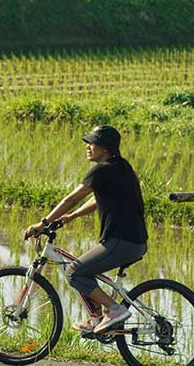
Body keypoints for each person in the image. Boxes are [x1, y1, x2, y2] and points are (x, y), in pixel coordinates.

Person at [25, 124, 147, 337]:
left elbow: (71, 198)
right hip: (134, 241)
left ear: (106, 149)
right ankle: (97, 318)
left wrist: (42, 224)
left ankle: (114, 309)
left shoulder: (102, 170)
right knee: (83, 270)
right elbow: (97, 198)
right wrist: (72, 217)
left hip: (121, 242)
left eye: (94, 143)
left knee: (74, 271)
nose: (89, 147)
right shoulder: (121, 166)